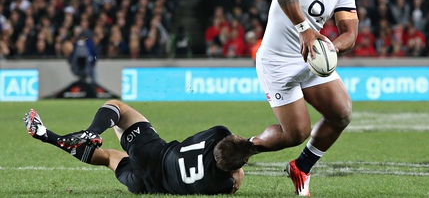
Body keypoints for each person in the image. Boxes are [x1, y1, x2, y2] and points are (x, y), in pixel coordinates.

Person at [252, 0, 359, 196]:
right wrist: (305, 29)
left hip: (310, 57)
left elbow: (350, 34)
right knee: (295, 133)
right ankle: (245, 147)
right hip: (277, 62)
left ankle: (301, 167)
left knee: (341, 113)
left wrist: (330, 49)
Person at [23, 100, 257, 195]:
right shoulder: (221, 185)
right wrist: (238, 170)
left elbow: (197, 140)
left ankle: (92, 132)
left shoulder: (218, 133)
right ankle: (47, 135)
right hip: (145, 184)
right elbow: (234, 181)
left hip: (154, 153)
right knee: (108, 158)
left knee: (117, 108)